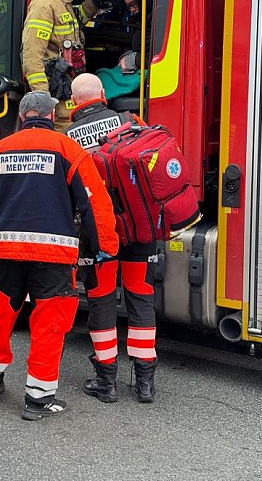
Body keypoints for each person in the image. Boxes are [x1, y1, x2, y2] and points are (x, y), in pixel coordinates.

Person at [0, 90, 118, 421]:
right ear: (51, 117)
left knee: (1, 315)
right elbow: (94, 203)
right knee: (49, 324)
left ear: (22, 117)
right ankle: (38, 398)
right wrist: (107, 246)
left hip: (7, 252)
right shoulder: (69, 150)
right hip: (54, 255)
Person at [64, 73, 157, 403]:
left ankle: (107, 382)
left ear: (74, 103)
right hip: (138, 227)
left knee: (102, 299)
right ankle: (145, 381)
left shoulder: (68, 139)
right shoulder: (131, 121)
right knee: (140, 294)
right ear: (103, 94)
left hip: (99, 235)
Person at [22, 0, 106, 130]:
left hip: (69, 93)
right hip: (56, 98)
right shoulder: (44, 5)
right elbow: (32, 57)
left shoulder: (63, 2)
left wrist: (93, 1)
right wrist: (43, 101)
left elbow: (76, 23)